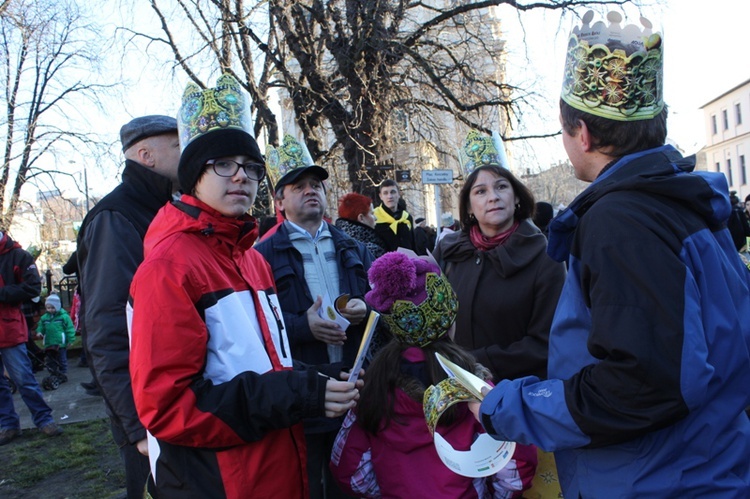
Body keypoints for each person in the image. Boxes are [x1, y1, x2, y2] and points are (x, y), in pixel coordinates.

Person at [471, 11, 750, 497]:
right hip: (701, 462)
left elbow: (642, 383)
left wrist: (508, 405)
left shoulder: (620, 221)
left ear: (581, 134)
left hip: (658, 479)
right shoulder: (682, 204)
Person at [128, 73, 358, 498]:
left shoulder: (251, 259)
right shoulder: (168, 267)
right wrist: (297, 393)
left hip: (276, 470)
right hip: (225, 480)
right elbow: (168, 407)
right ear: (195, 173)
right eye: (224, 164)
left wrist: (319, 378)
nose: (242, 177)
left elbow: (263, 362)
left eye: (252, 167)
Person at [330, 251, 537, 498]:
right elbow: (513, 465)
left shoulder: (373, 389)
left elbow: (350, 471)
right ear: (450, 322)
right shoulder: (475, 388)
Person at [257, 134, 373, 499]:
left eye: (316, 185)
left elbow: (380, 305)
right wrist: (302, 327)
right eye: (298, 186)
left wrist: (366, 307)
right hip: (304, 393)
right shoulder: (261, 255)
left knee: (354, 483)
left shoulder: (354, 246)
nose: (311, 191)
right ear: (279, 200)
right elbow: (257, 327)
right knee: (307, 486)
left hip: (356, 388)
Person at [77, 114, 180, 497]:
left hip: (174, 402)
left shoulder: (165, 209)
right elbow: (106, 330)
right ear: (146, 154)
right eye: (178, 146)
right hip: (148, 415)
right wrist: (137, 427)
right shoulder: (116, 217)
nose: (190, 156)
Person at [433, 131, 566, 382]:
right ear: (469, 206)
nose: (492, 196)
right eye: (480, 191)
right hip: (449, 388)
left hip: (515, 395)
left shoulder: (545, 257)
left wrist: (474, 363)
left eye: (501, 186)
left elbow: (546, 343)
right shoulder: (448, 251)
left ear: (516, 197)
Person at [0, 231, 62, 445]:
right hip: (8, 326)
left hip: (9, 328)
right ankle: (8, 425)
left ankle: (44, 419)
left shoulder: (19, 256)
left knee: (24, 379)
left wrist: (2, 294)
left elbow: (33, 287)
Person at [35, 293, 76, 385]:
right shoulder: (44, 318)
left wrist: (70, 339)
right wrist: (39, 331)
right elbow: (41, 326)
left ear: (57, 306)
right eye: (48, 308)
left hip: (60, 343)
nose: (50, 310)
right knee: (50, 359)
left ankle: (63, 372)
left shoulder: (63, 317)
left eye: (52, 308)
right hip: (49, 342)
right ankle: (53, 372)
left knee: (62, 358)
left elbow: (69, 328)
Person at [335, 192, 388, 259]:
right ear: (361, 218)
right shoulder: (370, 251)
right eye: (372, 213)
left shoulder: (337, 243)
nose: (375, 218)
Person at [373, 178, 415, 251]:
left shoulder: (407, 217)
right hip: (383, 261)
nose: (390, 196)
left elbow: (413, 245)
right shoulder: (374, 217)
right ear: (380, 196)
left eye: (393, 192)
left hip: (406, 261)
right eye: (385, 193)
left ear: (399, 194)